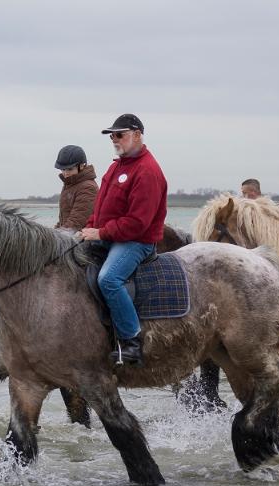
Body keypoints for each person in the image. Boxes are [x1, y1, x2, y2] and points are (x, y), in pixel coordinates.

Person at [79, 113, 168, 367]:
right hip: (110, 236)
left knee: (109, 279)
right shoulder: (117, 166)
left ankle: (131, 342)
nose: (114, 139)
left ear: (137, 135)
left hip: (137, 242)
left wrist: (101, 233)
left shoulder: (148, 171)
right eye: (112, 136)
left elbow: (138, 222)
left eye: (120, 134)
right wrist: (87, 229)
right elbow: (100, 209)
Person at [54, 145, 98, 231]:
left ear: (81, 166)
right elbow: (64, 219)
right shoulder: (70, 184)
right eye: (63, 169)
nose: (65, 173)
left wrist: (55, 236)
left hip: (82, 239)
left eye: (69, 169)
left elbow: (77, 222)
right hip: (69, 236)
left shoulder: (88, 188)